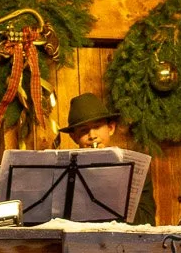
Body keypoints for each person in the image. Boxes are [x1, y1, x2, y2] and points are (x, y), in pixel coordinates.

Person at [62, 92, 155, 225]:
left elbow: (148, 223)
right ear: (74, 137)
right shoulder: (65, 173)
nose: (92, 135)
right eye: (83, 130)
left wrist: (113, 189)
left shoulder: (136, 169)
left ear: (110, 128)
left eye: (97, 127)